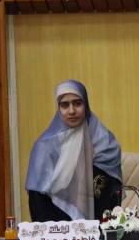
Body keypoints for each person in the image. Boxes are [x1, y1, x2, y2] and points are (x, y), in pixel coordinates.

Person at [26, 80, 123, 222]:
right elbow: (36, 199)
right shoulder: (43, 147)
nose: (71, 111)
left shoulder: (106, 142)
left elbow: (112, 192)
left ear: (86, 105)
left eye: (77, 103)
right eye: (65, 105)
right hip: (55, 225)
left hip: (96, 224)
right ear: (58, 109)